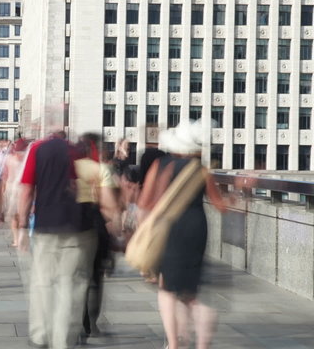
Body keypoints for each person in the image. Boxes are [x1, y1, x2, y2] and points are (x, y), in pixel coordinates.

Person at [138, 120, 228, 349]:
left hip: (170, 228)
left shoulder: (161, 165)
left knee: (167, 290)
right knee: (190, 290)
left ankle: (174, 343)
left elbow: (146, 202)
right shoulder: (201, 170)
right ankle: (201, 339)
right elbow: (221, 205)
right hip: (196, 229)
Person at [18, 129, 96, 349]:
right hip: (75, 227)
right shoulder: (78, 152)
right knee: (69, 287)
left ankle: (40, 335)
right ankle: (63, 341)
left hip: (45, 226)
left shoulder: (37, 150)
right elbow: (89, 188)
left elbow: (27, 190)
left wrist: (22, 226)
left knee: (42, 282)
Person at [74, 133, 121, 342]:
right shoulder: (100, 169)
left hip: (71, 224)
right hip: (94, 224)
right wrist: (117, 231)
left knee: (74, 275)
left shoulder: (70, 168)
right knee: (95, 277)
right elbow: (109, 206)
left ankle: (75, 321)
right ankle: (91, 323)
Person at [0, 138, 29, 246]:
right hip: (23, 189)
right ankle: (22, 237)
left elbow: (5, 176)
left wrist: (2, 190)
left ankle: (16, 239)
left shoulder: (9, 159)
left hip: (11, 189)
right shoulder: (27, 160)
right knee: (23, 215)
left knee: (13, 216)